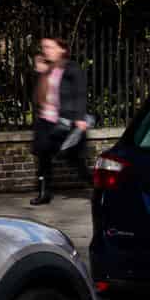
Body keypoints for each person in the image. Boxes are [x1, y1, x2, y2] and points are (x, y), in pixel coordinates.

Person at [28, 37, 92, 206]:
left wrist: (79, 118)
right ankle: (44, 193)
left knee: (75, 160)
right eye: (44, 47)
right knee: (43, 157)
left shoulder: (71, 68)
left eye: (50, 47)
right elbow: (39, 95)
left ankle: (97, 187)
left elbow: (80, 93)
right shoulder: (46, 69)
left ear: (61, 49)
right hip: (45, 120)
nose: (46, 50)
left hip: (65, 121)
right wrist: (40, 72)